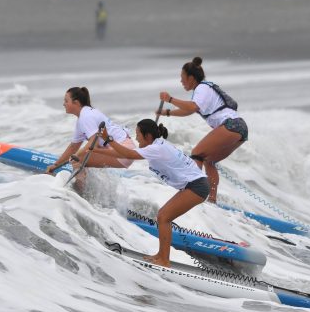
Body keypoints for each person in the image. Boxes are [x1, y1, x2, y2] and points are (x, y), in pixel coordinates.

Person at [93, 119, 209, 267]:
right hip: (195, 185)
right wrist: (97, 149)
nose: (136, 138)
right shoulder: (157, 145)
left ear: (147, 136)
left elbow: (128, 154)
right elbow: (123, 153)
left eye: (138, 135)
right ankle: (161, 256)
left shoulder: (156, 149)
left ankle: (164, 260)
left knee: (163, 217)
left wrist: (108, 139)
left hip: (197, 186)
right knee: (163, 216)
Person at [157, 57, 248, 203]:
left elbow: (192, 107)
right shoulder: (203, 90)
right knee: (209, 160)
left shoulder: (202, 88)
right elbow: (190, 110)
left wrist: (170, 99)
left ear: (191, 78)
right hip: (240, 129)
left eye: (182, 78)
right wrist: (168, 113)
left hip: (232, 125)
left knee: (197, 153)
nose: (181, 82)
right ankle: (211, 200)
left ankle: (192, 194)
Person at [46, 87, 135, 173]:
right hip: (125, 148)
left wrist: (76, 155)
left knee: (78, 160)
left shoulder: (86, 116)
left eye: (66, 101)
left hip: (123, 150)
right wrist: (56, 164)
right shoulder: (84, 116)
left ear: (76, 103)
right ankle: (87, 182)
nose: (63, 104)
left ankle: (79, 187)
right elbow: (73, 146)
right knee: (83, 157)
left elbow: (94, 144)